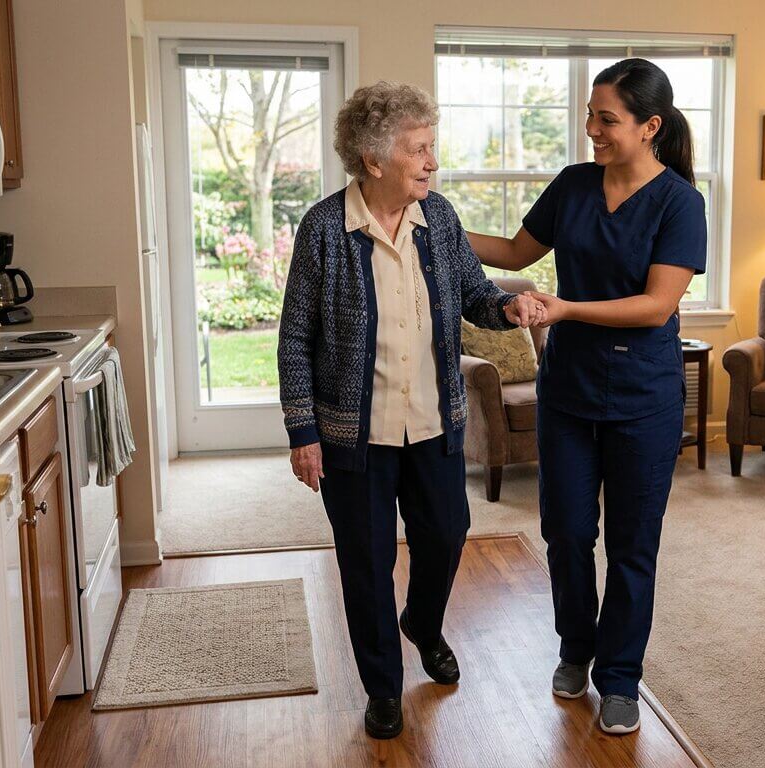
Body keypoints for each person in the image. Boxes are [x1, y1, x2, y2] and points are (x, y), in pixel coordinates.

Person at [277, 81, 545, 740]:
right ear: (374, 161)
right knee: (365, 563)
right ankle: (382, 686)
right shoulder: (324, 230)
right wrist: (303, 432)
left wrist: (506, 309)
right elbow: (294, 337)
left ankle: (422, 625)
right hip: (354, 437)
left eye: (432, 147)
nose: (431, 162)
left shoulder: (441, 219)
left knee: (446, 534)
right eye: (418, 150)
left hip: (433, 425)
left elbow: (474, 294)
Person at [465, 58, 706, 735]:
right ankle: (576, 648)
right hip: (567, 394)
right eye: (590, 116)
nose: (592, 130)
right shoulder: (573, 185)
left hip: (645, 397)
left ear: (649, 126)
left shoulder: (681, 203)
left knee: (633, 544)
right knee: (567, 533)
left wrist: (565, 309)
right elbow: (514, 253)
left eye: (607, 119)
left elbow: (658, 307)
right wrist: (436, 218)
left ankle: (621, 677)